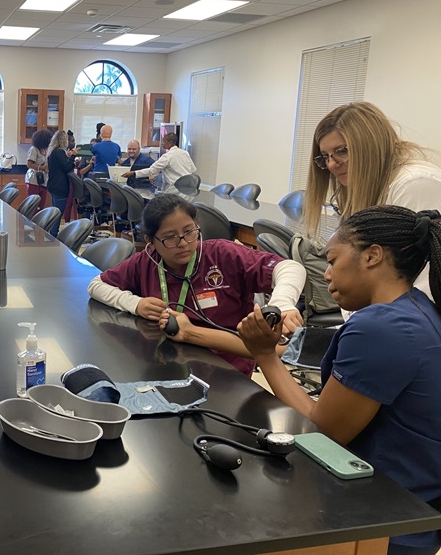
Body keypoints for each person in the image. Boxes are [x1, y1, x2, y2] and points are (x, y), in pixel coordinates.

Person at [238, 205, 441, 555]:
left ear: (372, 256)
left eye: (332, 260)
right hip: (412, 511)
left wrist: (265, 356)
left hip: (380, 525)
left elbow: (325, 433)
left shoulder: (381, 327)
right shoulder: (419, 308)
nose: (327, 274)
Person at [88, 193, 305, 376]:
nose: (183, 243)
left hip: (226, 370)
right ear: (150, 241)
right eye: (170, 238)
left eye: (189, 232)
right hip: (167, 363)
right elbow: (96, 286)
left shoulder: (222, 253)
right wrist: (136, 304)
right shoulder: (146, 260)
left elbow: (290, 268)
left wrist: (283, 303)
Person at [304, 101, 441, 299]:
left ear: (368, 145)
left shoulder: (414, 184)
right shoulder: (366, 188)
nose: (332, 164)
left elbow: (425, 283)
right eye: (325, 156)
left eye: (342, 151)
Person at [124, 132, 196, 190]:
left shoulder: (167, 157)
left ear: (170, 142)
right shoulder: (185, 153)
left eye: (163, 141)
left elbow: (151, 170)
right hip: (189, 190)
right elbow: (193, 169)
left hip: (174, 190)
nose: (162, 143)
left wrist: (133, 173)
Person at [46, 130, 75, 238]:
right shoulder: (59, 152)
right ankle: (53, 235)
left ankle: (52, 234)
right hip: (60, 186)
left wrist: (67, 156)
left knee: (55, 212)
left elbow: (60, 164)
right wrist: (72, 157)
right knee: (58, 213)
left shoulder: (53, 152)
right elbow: (67, 167)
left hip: (53, 185)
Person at [25, 129, 51, 214]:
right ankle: (30, 223)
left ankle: (38, 223)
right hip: (33, 179)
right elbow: (29, 164)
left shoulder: (46, 150)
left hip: (43, 180)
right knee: (33, 204)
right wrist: (41, 167)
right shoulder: (34, 149)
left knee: (41, 204)